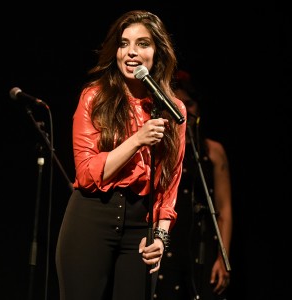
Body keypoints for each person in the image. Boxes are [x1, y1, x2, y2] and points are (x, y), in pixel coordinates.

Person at [55, 10, 187, 300]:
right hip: (92, 216)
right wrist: (138, 140)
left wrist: (161, 237)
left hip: (141, 226)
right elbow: (87, 175)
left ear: (158, 51)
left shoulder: (173, 107)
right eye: (124, 43)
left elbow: (171, 180)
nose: (131, 52)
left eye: (142, 44)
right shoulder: (95, 97)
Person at [154, 70, 232, 300]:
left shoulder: (213, 151)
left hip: (202, 243)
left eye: (189, 104)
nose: (185, 110)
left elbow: (224, 209)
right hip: (167, 243)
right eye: (178, 104)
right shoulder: (160, 149)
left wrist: (223, 257)